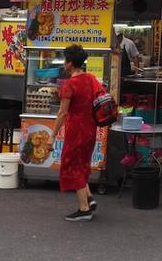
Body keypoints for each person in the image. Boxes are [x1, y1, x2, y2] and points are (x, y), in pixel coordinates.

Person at [52, 44, 101, 222]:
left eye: (65, 61)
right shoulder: (91, 78)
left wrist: (52, 136)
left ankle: (84, 209)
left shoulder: (69, 85)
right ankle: (88, 198)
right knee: (82, 163)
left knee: (72, 164)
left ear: (70, 63)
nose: (63, 65)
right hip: (90, 128)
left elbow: (62, 113)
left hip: (76, 130)